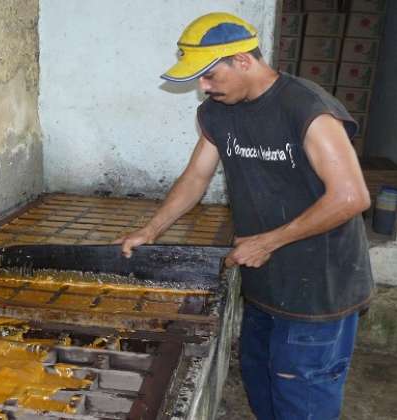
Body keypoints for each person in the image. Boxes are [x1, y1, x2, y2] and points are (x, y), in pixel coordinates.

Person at [115, 12, 374, 420]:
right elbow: (195, 177)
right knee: (261, 380)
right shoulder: (219, 112)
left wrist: (267, 241)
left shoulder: (306, 107)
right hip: (265, 282)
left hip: (320, 286)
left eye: (209, 75)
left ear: (243, 60)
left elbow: (350, 196)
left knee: (301, 393)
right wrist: (151, 229)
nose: (202, 87)